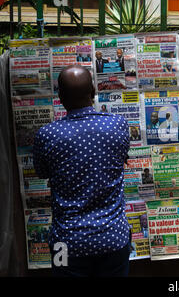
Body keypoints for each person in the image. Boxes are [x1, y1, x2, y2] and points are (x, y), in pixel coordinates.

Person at [33, 65, 131, 277]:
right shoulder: (118, 125)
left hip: (66, 243)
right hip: (114, 238)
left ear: (60, 96)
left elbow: (42, 172)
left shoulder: (46, 135)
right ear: (93, 91)